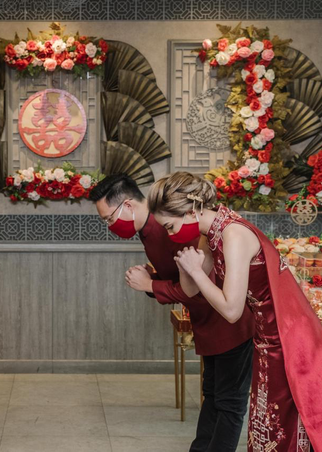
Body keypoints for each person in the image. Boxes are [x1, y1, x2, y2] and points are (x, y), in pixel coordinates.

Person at [149, 171, 322, 452]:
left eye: (170, 226)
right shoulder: (210, 233)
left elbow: (231, 310)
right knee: (266, 422)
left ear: (194, 210)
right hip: (267, 336)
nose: (169, 233)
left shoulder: (234, 235)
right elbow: (191, 287)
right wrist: (186, 266)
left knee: (283, 422)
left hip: (289, 338)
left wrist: (193, 271)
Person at [89, 174, 254, 452]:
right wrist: (153, 280)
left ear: (128, 206)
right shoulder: (149, 230)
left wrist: (151, 284)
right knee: (213, 395)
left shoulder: (173, 226)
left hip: (228, 320)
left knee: (229, 403)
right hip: (208, 321)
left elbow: (196, 284)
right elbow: (181, 279)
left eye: (108, 219)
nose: (109, 226)